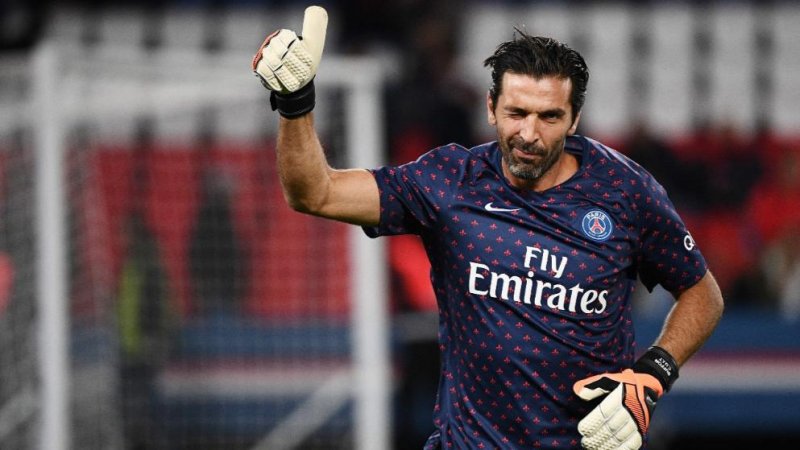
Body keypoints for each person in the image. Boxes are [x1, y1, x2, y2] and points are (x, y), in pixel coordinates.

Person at [251, 6, 724, 450]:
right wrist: (295, 102)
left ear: (574, 119)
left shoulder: (625, 192)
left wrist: (652, 375)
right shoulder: (448, 183)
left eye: (549, 117)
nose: (529, 134)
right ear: (491, 107)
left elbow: (702, 293)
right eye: (517, 113)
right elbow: (315, 193)